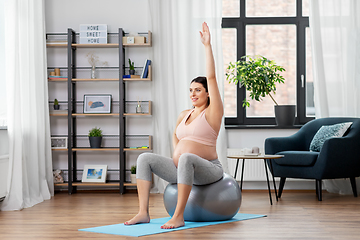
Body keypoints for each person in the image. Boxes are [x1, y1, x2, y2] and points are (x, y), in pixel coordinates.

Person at [124, 22, 224, 229]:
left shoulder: (213, 113)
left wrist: (207, 46)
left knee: (187, 157)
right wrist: (177, 153)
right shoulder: (184, 114)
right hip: (183, 169)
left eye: (198, 90)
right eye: (190, 90)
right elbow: (176, 136)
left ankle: (178, 216)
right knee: (144, 158)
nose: (193, 94)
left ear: (207, 93)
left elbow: (212, 77)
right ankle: (143, 212)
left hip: (209, 170)